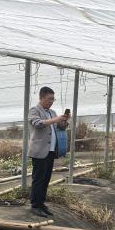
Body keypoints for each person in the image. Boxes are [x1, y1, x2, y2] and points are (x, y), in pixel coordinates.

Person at [27, 86, 68, 218]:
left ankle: (41, 203)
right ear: (42, 97)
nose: (51, 101)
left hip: (50, 150)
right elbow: (38, 124)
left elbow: (59, 128)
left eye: (53, 99)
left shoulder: (52, 112)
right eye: (49, 99)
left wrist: (63, 122)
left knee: (46, 178)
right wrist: (55, 120)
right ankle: (35, 205)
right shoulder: (34, 110)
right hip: (40, 150)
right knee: (38, 178)